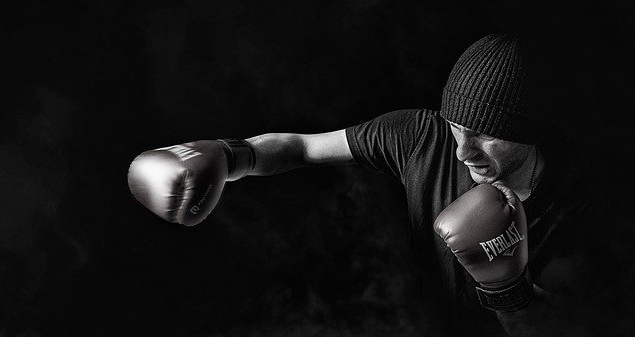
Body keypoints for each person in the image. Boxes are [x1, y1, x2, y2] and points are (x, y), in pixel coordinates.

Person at [127, 34, 634, 336]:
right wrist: (233, 155)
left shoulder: (591, 204)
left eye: (485, 137)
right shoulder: (419, 136)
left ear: (531, 130)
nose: (462, 151)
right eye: (457, 128)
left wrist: (507, 289)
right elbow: (302, 147)